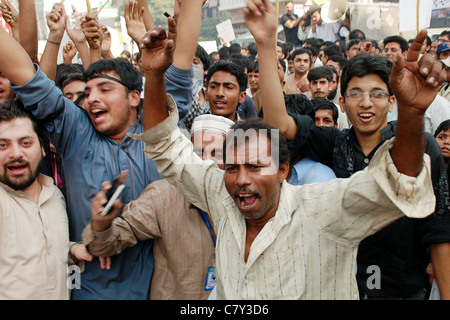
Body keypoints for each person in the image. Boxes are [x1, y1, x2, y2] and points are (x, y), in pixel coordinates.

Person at [133, 0, 439, 300]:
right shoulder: (219, 194)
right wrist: (155, 76)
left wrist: (411, 113)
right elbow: (164, 144)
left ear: (283, 170)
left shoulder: (325, 209)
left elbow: (397, 183)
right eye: (232, 167)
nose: (241, 179)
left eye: (254, 167)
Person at [256, 0, 450, 299]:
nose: (366, 103)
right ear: (342, 102)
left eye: (377, 94)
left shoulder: (418, 145)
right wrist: (266, 43)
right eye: (356, 94)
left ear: (393, 100)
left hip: (403, 289)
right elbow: (277, 124)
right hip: (339, 287)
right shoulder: (333, 143)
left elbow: (438, 226)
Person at [82, 114, 234, 300]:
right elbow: (108, 242)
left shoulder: (241, 202)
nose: (207, 162)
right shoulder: (163, 196)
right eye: (199, 152)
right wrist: (102, 224)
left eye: (217, 154)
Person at [0, 98, 89, 299]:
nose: (16, 153)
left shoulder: (55, 195)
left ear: (42, 148)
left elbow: (43, 250)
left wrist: (72, 249)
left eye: (25, 143)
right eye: (2, 145)